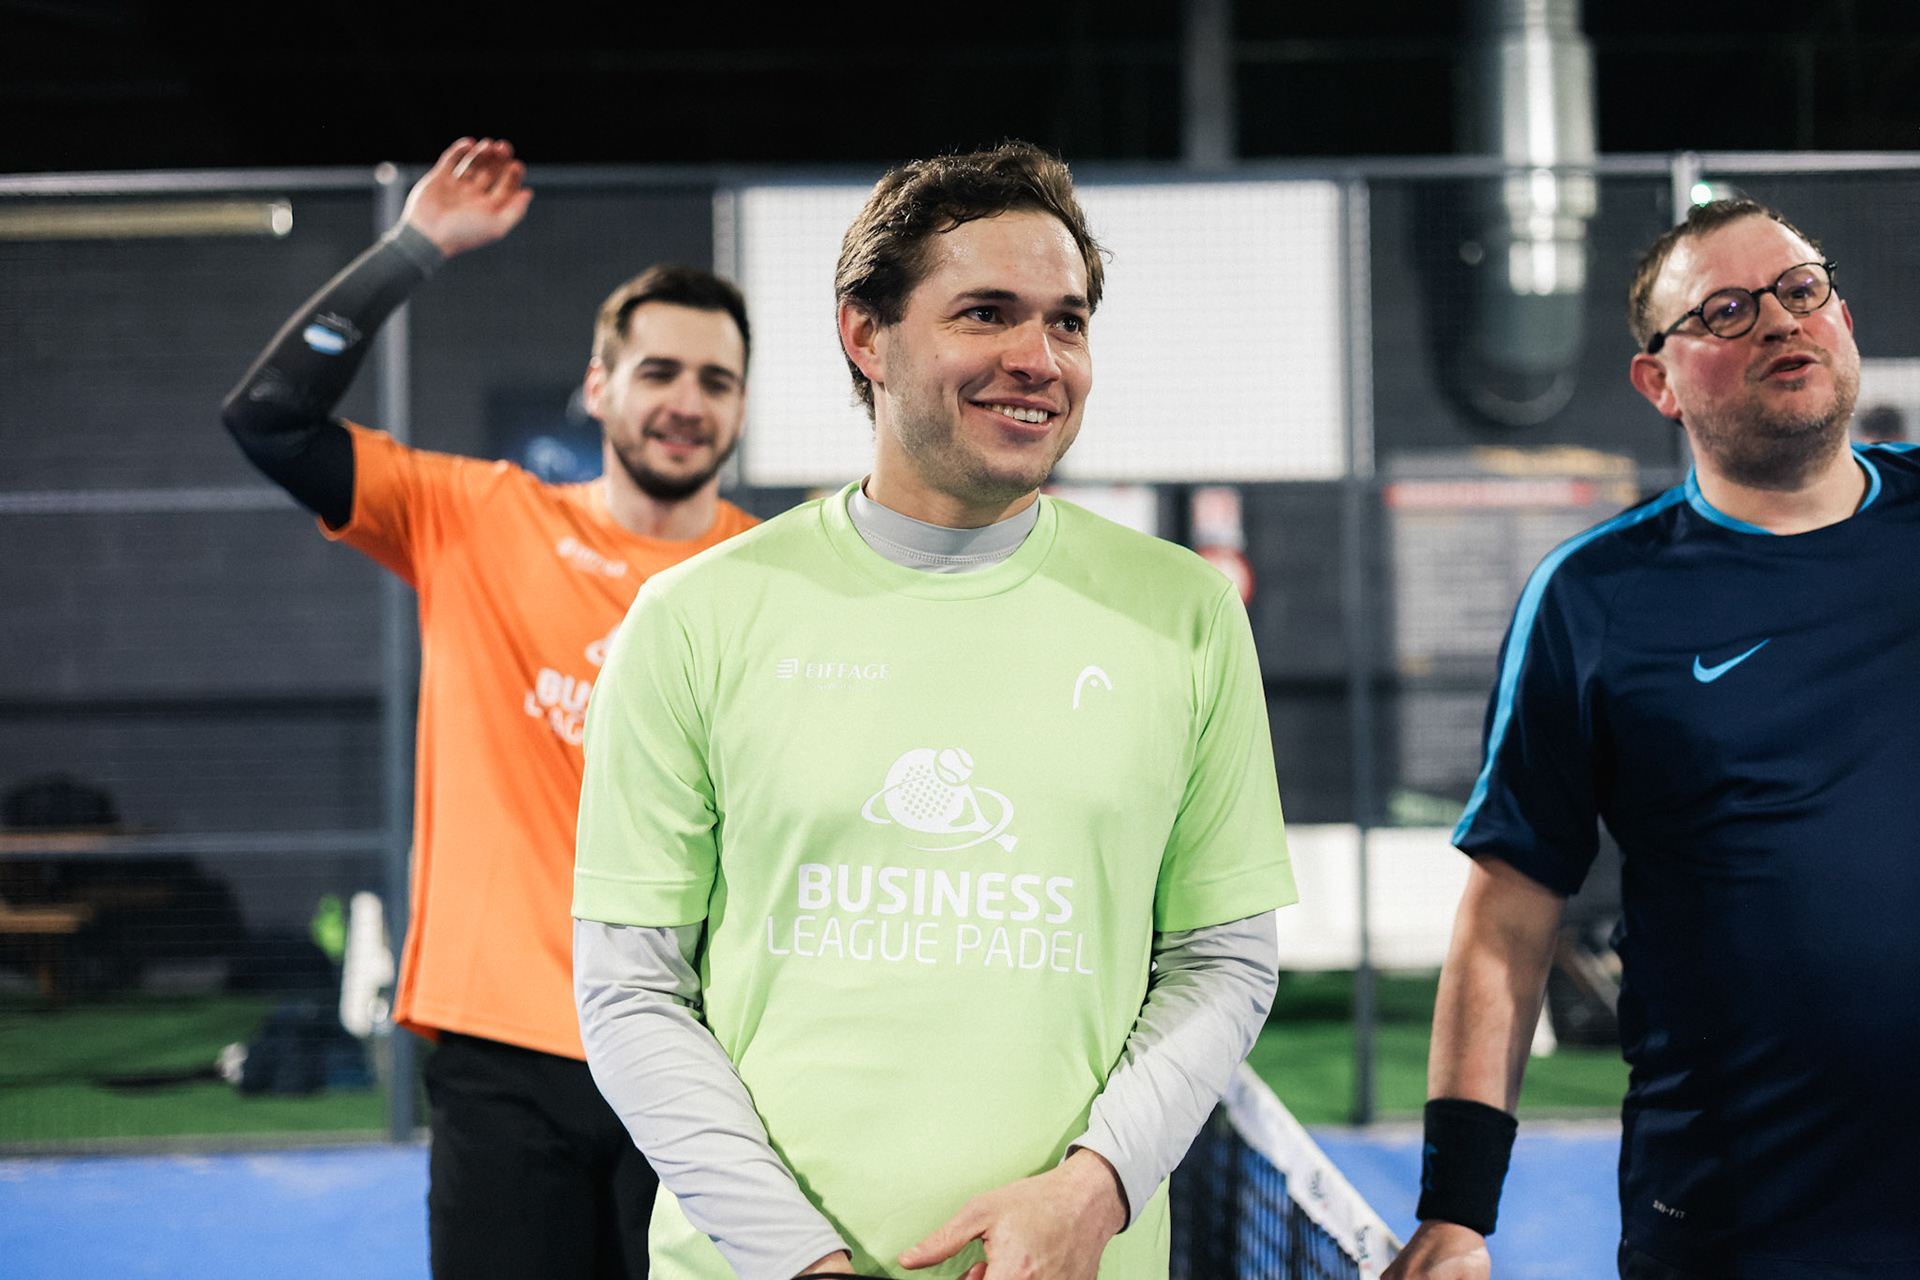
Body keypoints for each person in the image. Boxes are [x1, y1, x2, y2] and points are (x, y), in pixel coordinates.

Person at [572, 141, 1297, 1280]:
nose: (1037, 359)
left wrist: (1093, 1188)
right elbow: (629, 990)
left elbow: (1224, 960)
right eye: (987, 313)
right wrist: (800, 1260)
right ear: (867, 335)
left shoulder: (1189, 615)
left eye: (1067, 322)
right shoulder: (692, 618)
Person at [220, 137, 759, 1279]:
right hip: (502, 1053)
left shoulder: (775, 578)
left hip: (697, 1053)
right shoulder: (474, 518)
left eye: (716, 381)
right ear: (599, 387)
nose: (685, 402)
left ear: (742, 408)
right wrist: (416, 245)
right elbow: (269, 417)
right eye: (658, 371)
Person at [1387, 199, 1920, 1280]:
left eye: (1800, 289)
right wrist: (1456, 1211)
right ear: (1659, 381)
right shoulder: (1593, 599)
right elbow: (1506, 920)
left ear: (1843, 317)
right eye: (1725, 310)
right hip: (1742, 1225)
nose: (1780, 320)